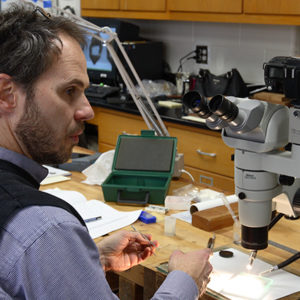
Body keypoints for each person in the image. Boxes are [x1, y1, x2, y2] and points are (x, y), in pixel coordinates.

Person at [0, 3, 212, 299]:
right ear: (6, 94)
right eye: (69, 91)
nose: (87, 110)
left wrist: (86, 261)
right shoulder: (45, 230)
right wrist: (185, 280)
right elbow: (34, 246)